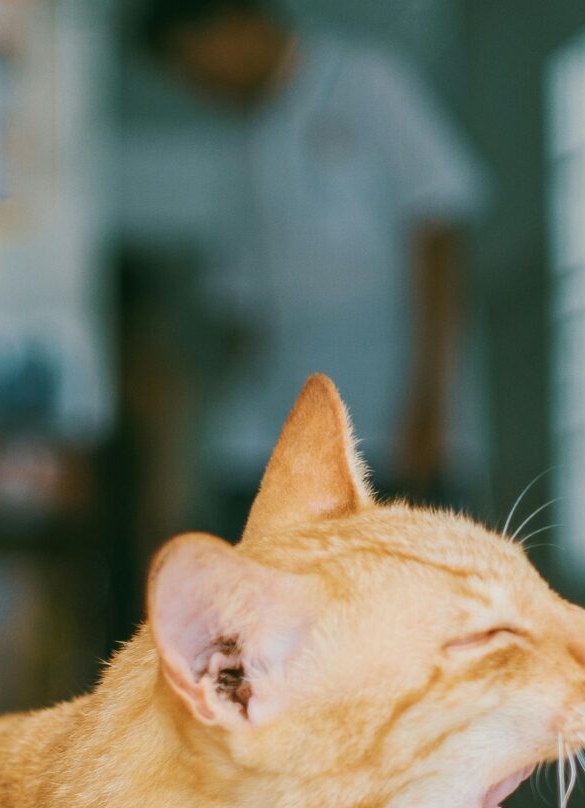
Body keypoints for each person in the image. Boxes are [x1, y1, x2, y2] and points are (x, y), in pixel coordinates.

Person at [139, 0, 485, 516]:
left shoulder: (365, 81)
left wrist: (429, 405)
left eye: (198, 65)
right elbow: (241, 306)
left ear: (232, 25)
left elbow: (439, 224)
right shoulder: (244, 144)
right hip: (286, 431)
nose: (202, 88)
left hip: (396, 421)